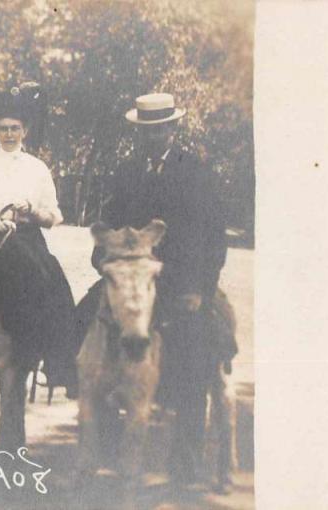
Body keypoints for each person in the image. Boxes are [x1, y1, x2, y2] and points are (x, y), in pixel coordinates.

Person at [84, 92, 238, 481]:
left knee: (195, 356)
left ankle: (184, 465)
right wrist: (104, 257)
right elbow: (111, 220)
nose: (153, 137)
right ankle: (106, 449)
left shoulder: (196, 172)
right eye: (145, 130)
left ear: (173, 128)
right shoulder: (126, 171)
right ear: (138, 131)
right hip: (132, 276)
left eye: (160, 129)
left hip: (181, 282)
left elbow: (214, 237)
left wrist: (201, 288)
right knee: (85, 319)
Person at [0, 83, 80, 397]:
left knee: (55, 281)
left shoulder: (37, 169)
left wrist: (33, 212)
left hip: (25, 239)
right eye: (3, 129)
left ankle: (55, 360)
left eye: (15, 129)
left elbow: (55, 217)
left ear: (26, 131)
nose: (9, 134)